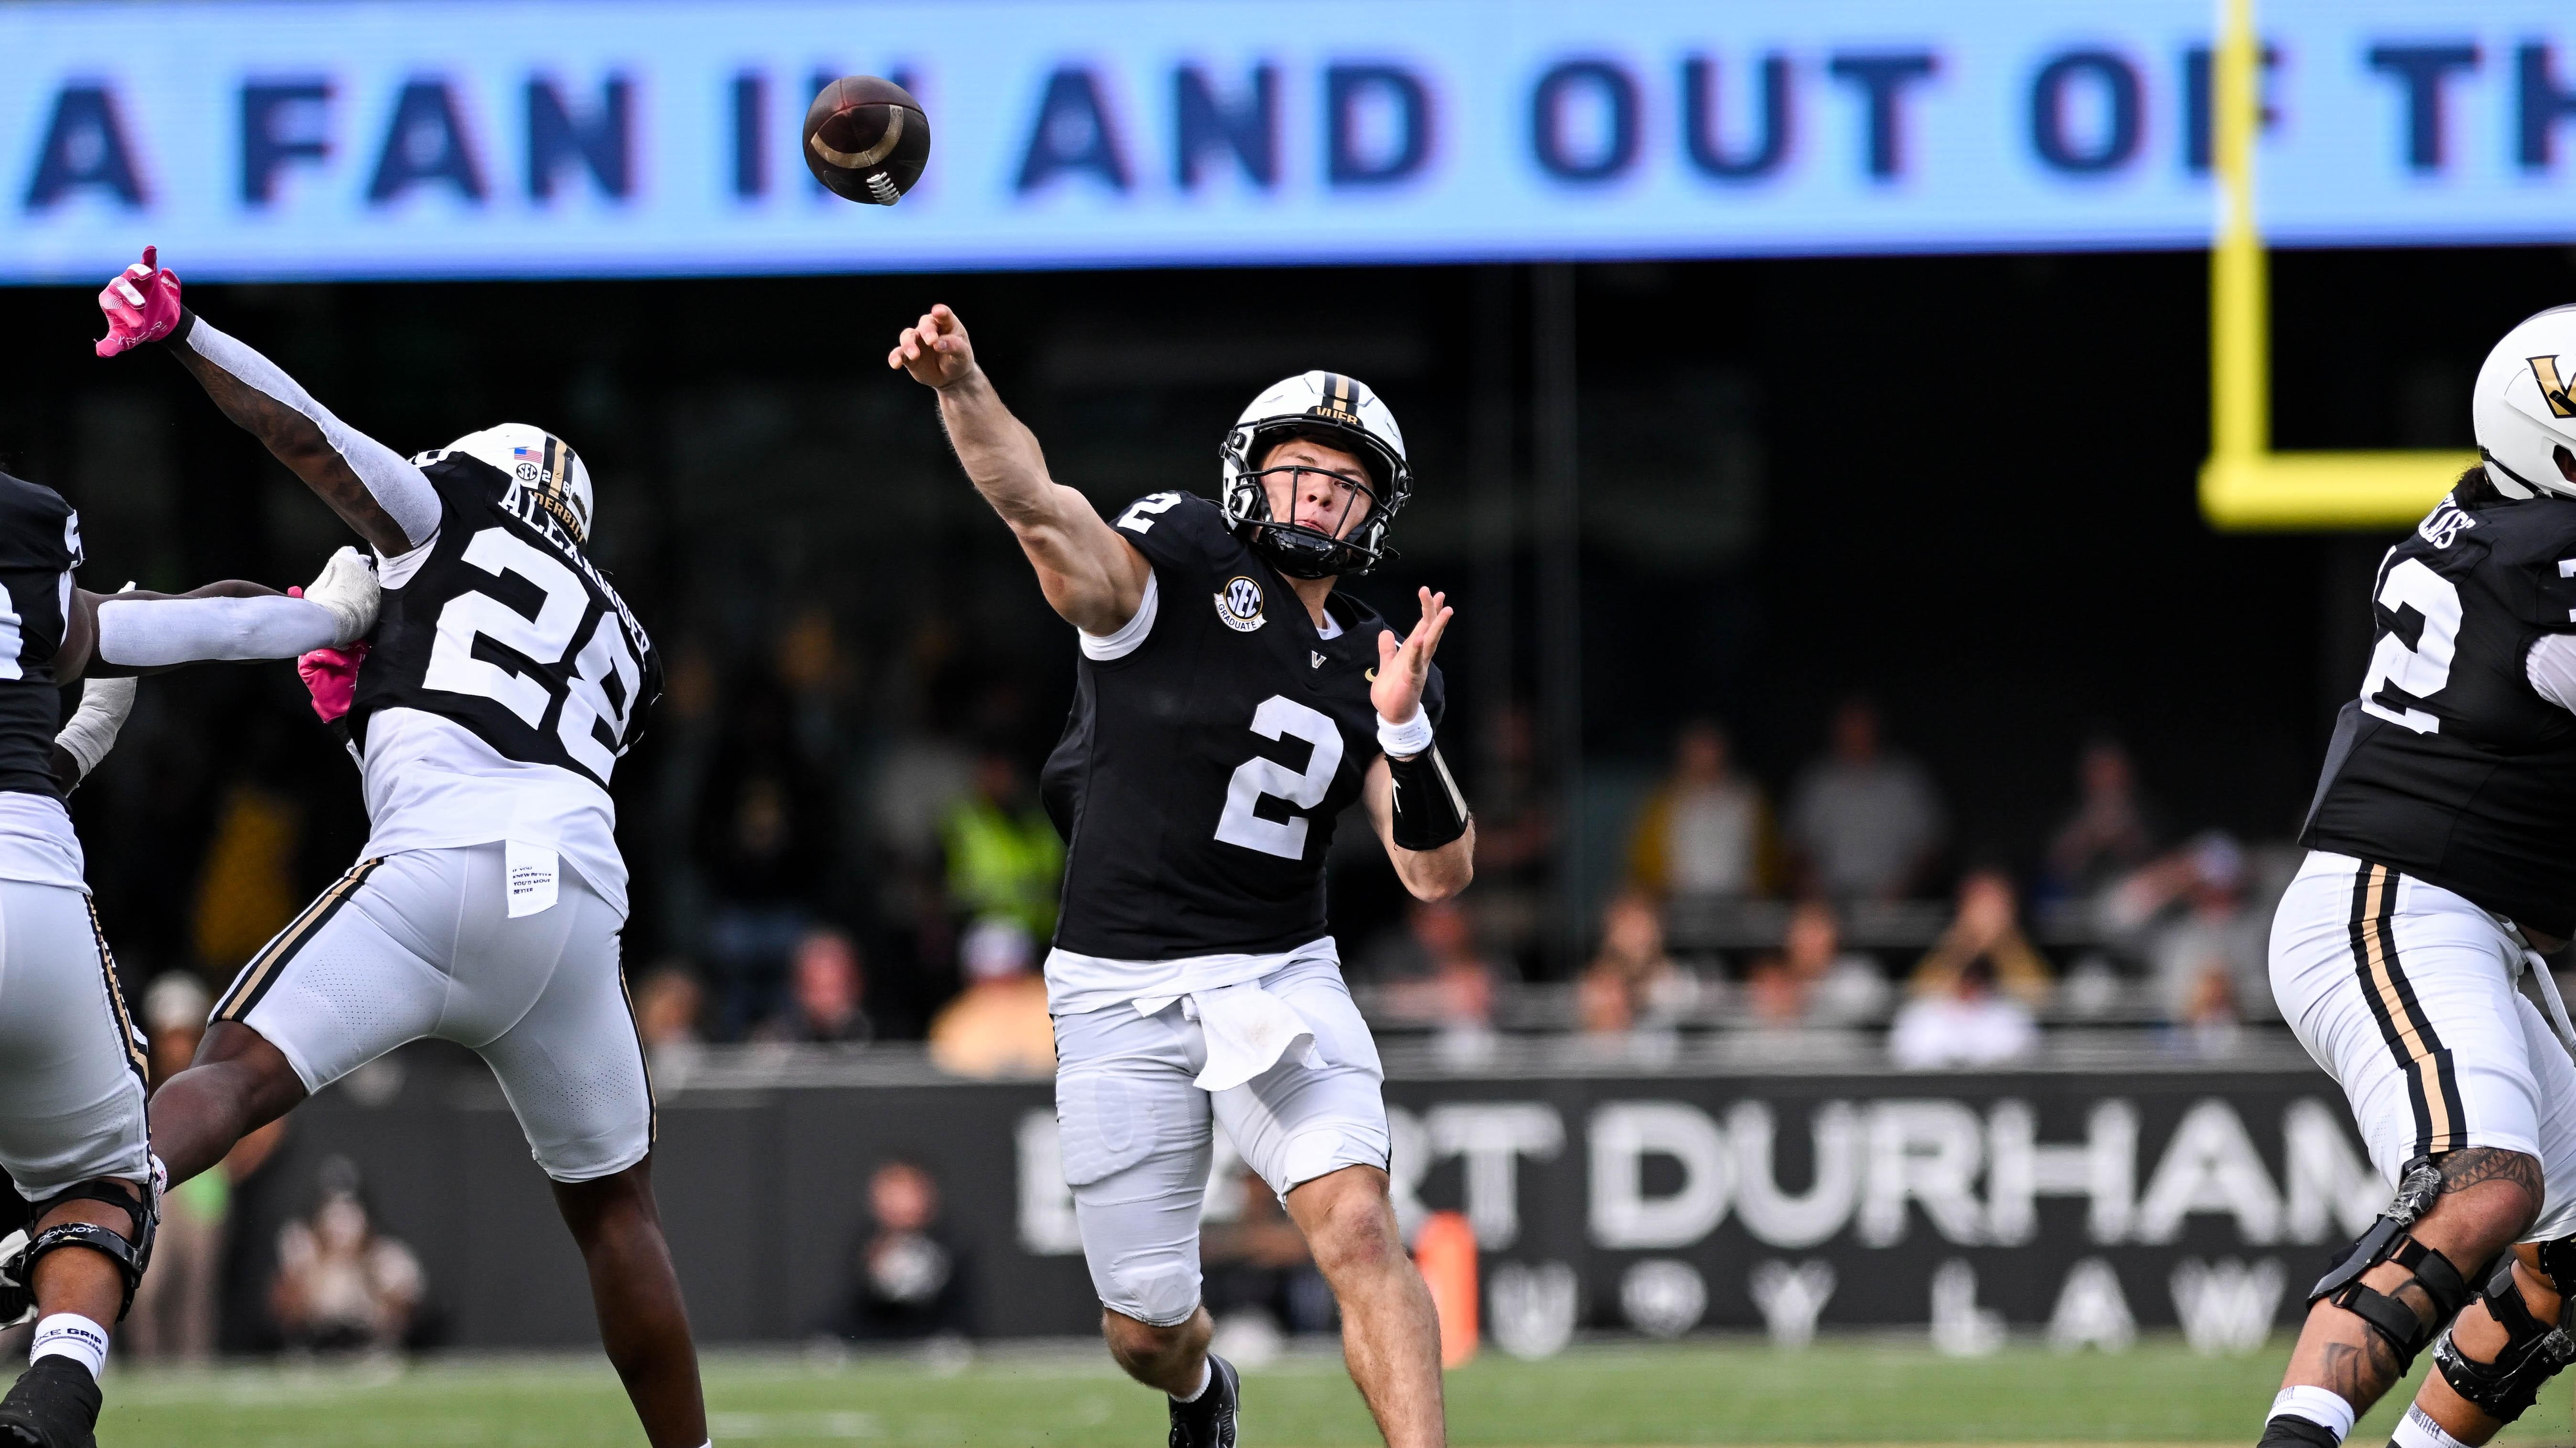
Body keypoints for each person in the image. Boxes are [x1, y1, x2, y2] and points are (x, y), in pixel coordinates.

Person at [94, 248, 709, 1448]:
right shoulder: (623, 633)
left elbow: (314, 437)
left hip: (440, 866)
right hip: (573, 904)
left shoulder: (451, 510)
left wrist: (186, 333)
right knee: (617, 1212)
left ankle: (82, 1217)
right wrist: (356, 705)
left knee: (230, 1066)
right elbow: (493, 713)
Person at [892, 306, 1473, 1448]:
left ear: (1376, 515)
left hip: (1279, 974)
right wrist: (962, 386)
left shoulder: (1379, 660)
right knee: (1143, 1330)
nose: (1315, 496)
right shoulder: (1182, 563)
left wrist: (1404, 734)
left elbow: (1436, 873)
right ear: (1247, 477)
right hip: (1117, 985)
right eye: (1296, 470)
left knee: (1358, 1226)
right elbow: (1040, 508)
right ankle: (1205, 1393)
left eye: (1343, 483)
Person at [2256, 306, 2576, 1448]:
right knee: (2479, 1180)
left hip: (2462, 913)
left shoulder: (2494, 520)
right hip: (2397, 899)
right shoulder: (2545, 568)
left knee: (2570, 1248)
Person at [1785, 696, 1945, 900]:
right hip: (1830, 904)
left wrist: (1906, 887)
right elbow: (1796, 846)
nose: (1856, 733)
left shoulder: (1905, 781)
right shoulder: (1817, 782)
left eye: (1862, 724)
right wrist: (1810, 887)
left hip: (1894, 903)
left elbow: (1931, 846)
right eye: (1849, 725)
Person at [267, 1158, 423, 1355]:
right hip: (314, 1350)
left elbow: (407, 1321)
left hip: (372, 1351)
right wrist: (317, 1268)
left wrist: (365, 1268)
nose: (341, 1225)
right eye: (331, 1213)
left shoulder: (388, 1255)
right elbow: (283, 1316)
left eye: (350, 1213)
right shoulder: (301, 1248)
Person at [1624, 719, 1771, 900]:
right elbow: (1642, 860)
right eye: (1699, 748)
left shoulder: (1747, 797)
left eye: (1711, 747)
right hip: (1677, 903)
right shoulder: (1663, 801)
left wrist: (1762, 886)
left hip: (1739, 902)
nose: (1705, 756)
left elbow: (1769, 854)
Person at [830, 1160, 973, 1342]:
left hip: (935, 1339)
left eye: (908, 1192)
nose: (900, 1202)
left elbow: (960, 1313)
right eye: (891, 1194)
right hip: (873, 1339)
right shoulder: (864, 1243)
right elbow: (854, 1307)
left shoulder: (954, 1242)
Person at [927, 918, 1053, 1079]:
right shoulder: (955, 1022)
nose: (1000, 992)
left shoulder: (1055, 1011)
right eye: (989, 980)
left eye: (1010, 979)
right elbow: (951, 1070)